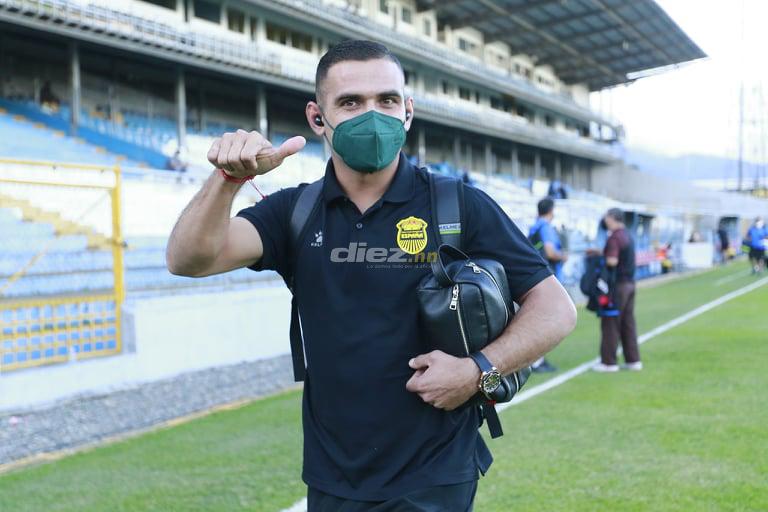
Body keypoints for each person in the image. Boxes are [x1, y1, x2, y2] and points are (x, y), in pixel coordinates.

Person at [166, 40, 576, 511]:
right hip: (332, 476)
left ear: (408, 111)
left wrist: (477, 371)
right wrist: (228, 179)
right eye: (350, 102)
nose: (372, 116)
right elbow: (187, 259)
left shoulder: (457, 204)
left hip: (436, 474)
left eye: (387, 100)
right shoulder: (294, 211)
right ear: (318, 118)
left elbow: (555, 309)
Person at [592, 208, 642, 373]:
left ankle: (608, 362)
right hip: (630, 284)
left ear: (612, 218)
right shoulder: (627, 235)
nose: (604, 220)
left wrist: (601, 257)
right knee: (628, 323)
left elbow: (612, 261)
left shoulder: (614, 237)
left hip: (617, 286)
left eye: (606, 217)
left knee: (610, 322)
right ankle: (633, 360)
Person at [528, 197, 568, 373]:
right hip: (546, 279)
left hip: (533, 278)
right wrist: (563, 256)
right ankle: (537, 362)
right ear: (551, 211)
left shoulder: (534, 227)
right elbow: (550, 252)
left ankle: (535, 360)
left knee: (536, 319)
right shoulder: (546, 228)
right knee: (544, 321)